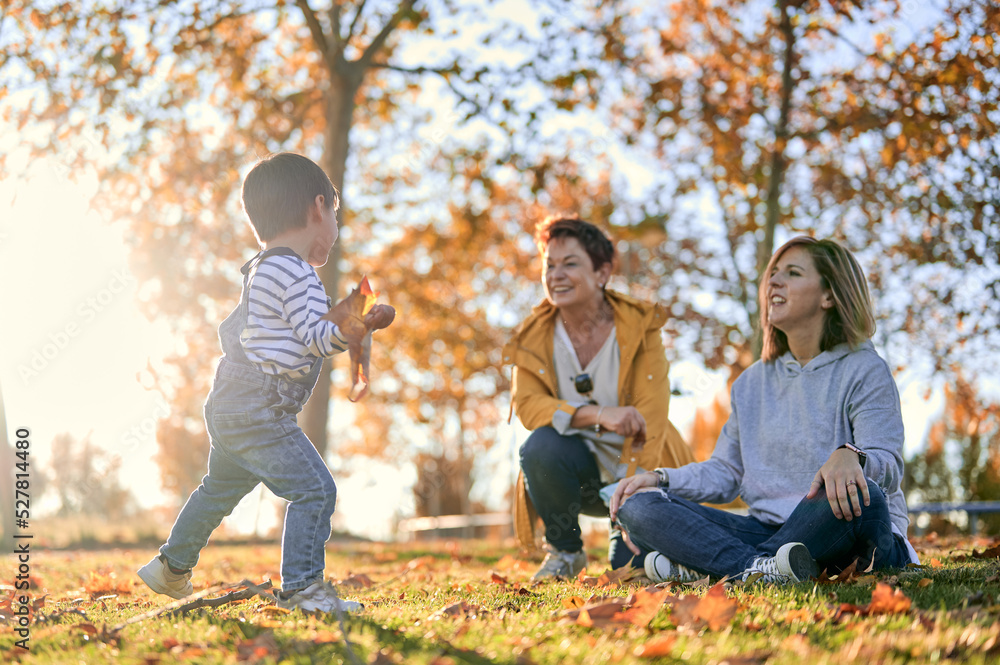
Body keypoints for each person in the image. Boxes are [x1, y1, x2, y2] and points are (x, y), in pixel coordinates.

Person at [137, 152, 394, 612]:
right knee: (314, 490)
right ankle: (303, 589)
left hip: (232, 403)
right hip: (260, 406)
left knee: (218, 489)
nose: (335, 228)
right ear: (319, 208)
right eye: (335, 214)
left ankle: (171, 567)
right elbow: (317, 338)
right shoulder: (295, 271)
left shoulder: (265, 266)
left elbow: (306, 327)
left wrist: (352, 316)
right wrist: (362, 326)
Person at [610, 236, 919, 584]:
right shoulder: (750, 383)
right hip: (767, 532)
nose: (773, 280)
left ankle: (715, 564)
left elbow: (887, 463)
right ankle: (762, 568)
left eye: (792, 273)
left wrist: (853, 458)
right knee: (638, 504)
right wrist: (661, 478)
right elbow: (725, 472)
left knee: (863, 494)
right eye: (773, 273)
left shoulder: (865, 368)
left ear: (828, 296)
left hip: (843, 526)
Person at [503, 216, 696, 580]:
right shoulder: (532, 337)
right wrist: (597, 414)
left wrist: (634, 497)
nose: (556, 274)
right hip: (581, 476)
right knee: (539, 445)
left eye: (570, 263)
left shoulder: (640, 326)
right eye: (550, 265)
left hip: (640, 470)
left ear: (602, 272)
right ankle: (566, 551)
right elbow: (528, 406)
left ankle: (641, 529)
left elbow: (651, 419)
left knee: (632, 569)